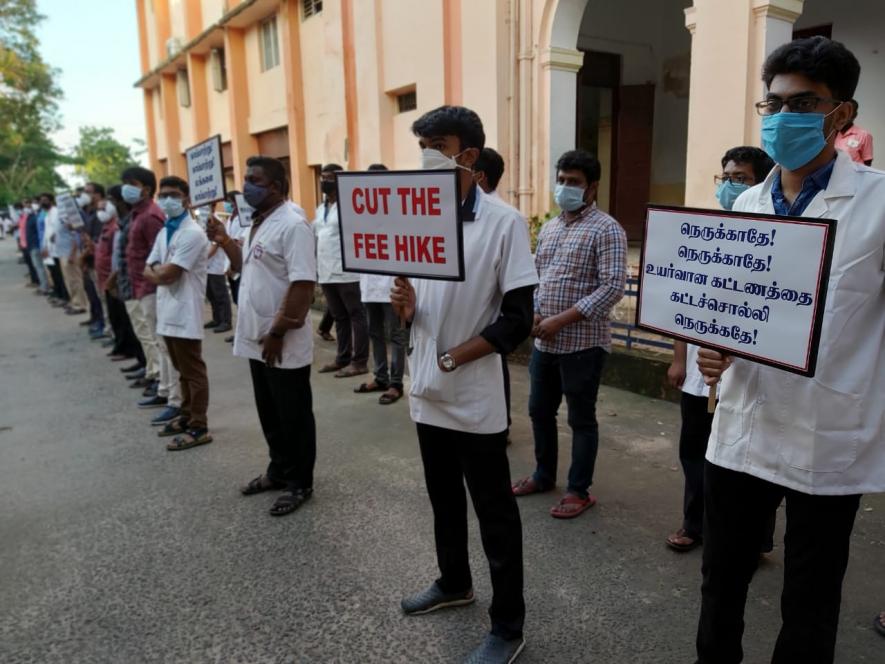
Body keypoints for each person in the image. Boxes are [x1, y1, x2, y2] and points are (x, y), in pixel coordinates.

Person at [694, 37, 884, 664]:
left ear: (842, 114)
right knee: (721, 581)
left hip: (823, 430)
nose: (781, 117)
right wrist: (712, 349)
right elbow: (727, 306)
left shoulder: (879, 203)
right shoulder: (748, 203)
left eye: (802, 104)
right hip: (742, 424)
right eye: (772, 104)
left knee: (811, 597)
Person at [391, 106, 538, 664]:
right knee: (443, 499)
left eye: (438, 146)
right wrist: (407, 309)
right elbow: (423, 306)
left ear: (468, 156)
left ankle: (508, 626)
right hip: (426, 389)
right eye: (422, 145)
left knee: (494, 513)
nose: (426, 155)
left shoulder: (503, 223)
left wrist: (455, 358)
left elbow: (517, 320)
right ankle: (454, 582)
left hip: (472, 392)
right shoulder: (419, 216)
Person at [665, 146, 776, 553]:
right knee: (695, 453)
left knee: (752, 461)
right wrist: (679, 358)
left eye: (740, 179)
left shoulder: (774, 241)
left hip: (748, 378)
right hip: (701, 375)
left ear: (760, 186)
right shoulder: (703, 236)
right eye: (725, 177)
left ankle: (756, 539)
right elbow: (682, 305)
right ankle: (695, 525)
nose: (729, 186)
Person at [511, 149, 627, 520]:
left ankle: (579, 490)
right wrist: (534, 312)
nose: (564, 188)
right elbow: (537, 277)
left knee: (581, 419)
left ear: (592, 187)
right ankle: (543, 475)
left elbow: (613, 287)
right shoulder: (550, 227)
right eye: (561, 180)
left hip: (583, 345)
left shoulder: (607, 229)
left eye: (573, 182)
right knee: (539, 411)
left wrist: (561, 319)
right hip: (545, 342)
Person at [207, 155, 317, 517]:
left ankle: (299, 482)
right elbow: (246, 265)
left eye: (255, 181)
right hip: (258, 336)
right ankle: (279, 470)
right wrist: (224, 240)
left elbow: (302, 284)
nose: (246, 187)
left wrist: (279, 330)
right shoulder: (259, 221)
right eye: (245, 179)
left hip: (280, 338)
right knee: (269, 412)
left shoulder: (293, 224)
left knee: (293, 415)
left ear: (277, 187)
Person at [144, 175, 212, 450]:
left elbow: (168, 274)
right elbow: (148, 267)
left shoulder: (193, 233)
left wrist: (157, 272)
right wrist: (157, 272)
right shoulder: (165, 231)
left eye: (173, 195)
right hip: (168, 310)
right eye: (163, 195)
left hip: (185, 311)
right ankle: (186, 415)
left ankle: (199, 426)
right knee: (181, 370)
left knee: (193, 371)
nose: (167, 200)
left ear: (186, 199)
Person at [354, 163, 406, 405]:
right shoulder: (360, 213)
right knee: (374, 333)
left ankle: (396, 383)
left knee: (396, 336)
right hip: (369, 285)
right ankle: (380, 377)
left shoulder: (398, 213)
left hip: (391, 285)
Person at [473, 148, 515, 439]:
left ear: (479, 176)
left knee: (494, 367)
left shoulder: (504, 219)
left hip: (490, 319)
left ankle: (501, 423)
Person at [313, 163, 369, 377]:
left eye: (329, 178)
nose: (324, 182)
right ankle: (342, 358)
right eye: (322, 178)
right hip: (326, 271)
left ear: (339, 180)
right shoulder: (321, 208)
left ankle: (360, 361)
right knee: (339, 317)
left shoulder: (350, 205)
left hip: (347, 271)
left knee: (356, 315)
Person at [122, 166, 165, 393]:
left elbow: (157, 254)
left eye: (132, 184)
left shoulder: (150, 216)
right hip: (140, 285)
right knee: (151, 335)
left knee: (157, 339)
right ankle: (159, 381)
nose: (126, 189)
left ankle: (162, 383)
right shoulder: (138, 213)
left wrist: (151, 282)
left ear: (146, 189)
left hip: (151, 286)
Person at [80, 183, 107, 338]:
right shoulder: (89, 212)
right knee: (94, 294)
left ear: (98, 194)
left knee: (102, 297)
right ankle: (100, 322)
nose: (85, 195)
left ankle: (105, 326)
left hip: (98, 260)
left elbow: (99, 240)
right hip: (90, 260)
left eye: (88, 192)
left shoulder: (102, 214)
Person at [204, 204, 233, 335]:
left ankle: (226, 322)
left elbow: (215, 245)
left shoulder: (216, 222)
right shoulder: (202, 220)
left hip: (215, 265)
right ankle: (217, 319)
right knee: (211, 295)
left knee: (220, 295)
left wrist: (201, 259)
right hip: (206, 266)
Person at [38, 193, 68, 307]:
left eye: (45, 200)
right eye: (41, 200)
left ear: (51, 201)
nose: (42, 202)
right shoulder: (47, 215)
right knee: (54, 274)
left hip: (57, 249)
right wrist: (44, 247)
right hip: (49, 249)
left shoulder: (56, 212)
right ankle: (59, 295)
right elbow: (47, 233)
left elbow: (57, 231)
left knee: (60, 275)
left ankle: (64, 297)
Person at [834, 99, 873, 166]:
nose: (845, 115)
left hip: (853, 171)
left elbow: (867, 162)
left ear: (855, 115)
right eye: (843, 112)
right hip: (834, 170)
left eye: (849, 112)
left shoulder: (864, 135)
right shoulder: (833, 132)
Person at [25, 198, 50, 295]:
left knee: (40, 267)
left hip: (37, 245)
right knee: (38, 267)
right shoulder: (32, 217)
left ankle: (44, 287)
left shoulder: (38, 216)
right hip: (33, 245)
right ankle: (44, 285)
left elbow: (41, 231)